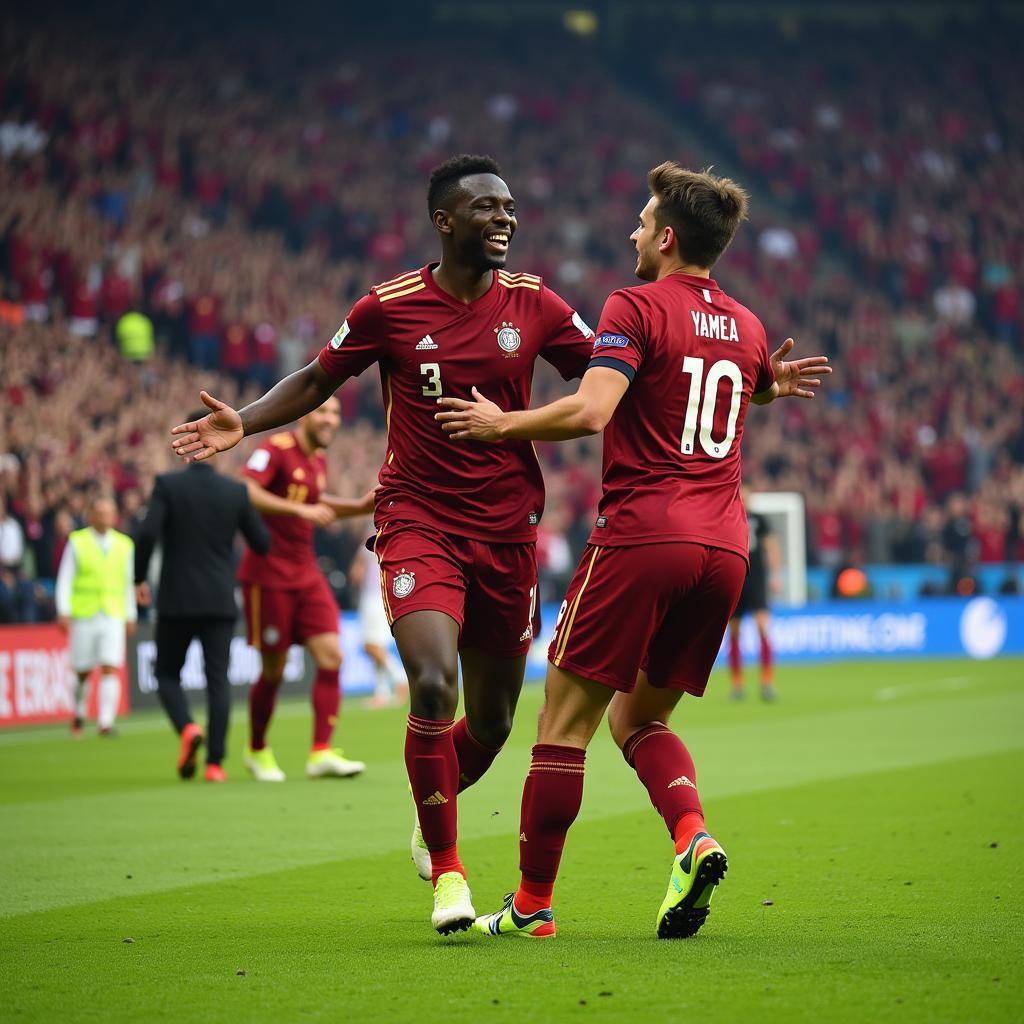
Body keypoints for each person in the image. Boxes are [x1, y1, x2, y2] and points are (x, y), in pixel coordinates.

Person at [170, 154, 595, 934]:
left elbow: (609, 372)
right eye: (486, 208)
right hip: (417, 519)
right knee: (433, 685)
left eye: (509, 208)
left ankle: (429, 802)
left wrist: (736, 375)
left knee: (496, 722)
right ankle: (450, 874)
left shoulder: (534, 304)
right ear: (444, 221)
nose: (504, 219)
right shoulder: (388, 306)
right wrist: (245, 420)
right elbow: (315, 378)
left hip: (508, 533)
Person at [435, 162, 830, 939]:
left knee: (563, 721)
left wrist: (500, 425)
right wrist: (765, 386)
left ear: (669, 238)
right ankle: (692, 837)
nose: (632, 232)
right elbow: (716, 382)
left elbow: (591, 410)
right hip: (725, 548)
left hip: (645, 533)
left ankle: (531, 906)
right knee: (638, 721)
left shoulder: (635, 304)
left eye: (643, 223)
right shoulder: (747, 324)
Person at [238, 397, 372, 783]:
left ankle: (321, 752)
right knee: (274, 670)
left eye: (334, 413)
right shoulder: (275, 450)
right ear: (305, 414)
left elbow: (316, 503)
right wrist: (300, 512)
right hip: (268, 573)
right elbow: (247, 491)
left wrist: (359, 507)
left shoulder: (317, 461)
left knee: (332, 655)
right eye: (323, 411)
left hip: (305, 572)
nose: (330, 419)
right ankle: (257, 748)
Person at [134, 442, 271, 782]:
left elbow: (148, 532)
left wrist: (138, 577)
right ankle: (215, 764)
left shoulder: (168, 485)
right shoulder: (235, 491)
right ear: (217, 450)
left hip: (176, 598)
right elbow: (262, 544)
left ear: (186, 449)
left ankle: (188, 727)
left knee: (166, 674)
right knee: (218, 681)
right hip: (220, 599)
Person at [55, 495, 137, 736]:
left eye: (109, 513)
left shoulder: (125, 545)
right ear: (90, 516)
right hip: (84, 614)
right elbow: (65, 579)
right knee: (82, 670)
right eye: (100, 513)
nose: (104, 518)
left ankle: (105, 722)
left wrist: (130, 615)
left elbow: (127, 583)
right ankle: (79, 713)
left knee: (110, 666)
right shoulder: (77, 541)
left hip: (112, 613)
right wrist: (64, 611)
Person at [727, 485, 782, 701]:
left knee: (762, 627)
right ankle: (737, 685)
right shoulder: (729, 516)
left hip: (757, 580)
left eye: (747, 496)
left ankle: (767, 682)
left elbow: (772, 546)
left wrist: (776, 574)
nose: (744, 499)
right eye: (741, 495)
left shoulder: (759, 520)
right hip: (736, 580)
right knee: (734, 632)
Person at [351, 543, 407, 707]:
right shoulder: (392, 542)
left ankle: (400, 677)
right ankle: (381, 693)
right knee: (377, 647)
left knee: (370, 646)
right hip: (386, 596)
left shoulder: (368, 545)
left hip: (373, 599)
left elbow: (356, 574)